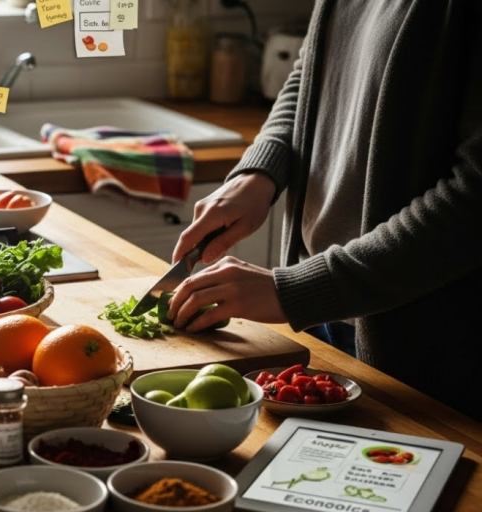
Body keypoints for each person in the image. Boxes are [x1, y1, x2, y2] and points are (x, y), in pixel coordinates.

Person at [164, 0, 482, 421]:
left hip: (426, 348)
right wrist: (261, 170)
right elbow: (310, 71)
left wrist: (296, 290)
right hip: (320, 318)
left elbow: (474, 199)